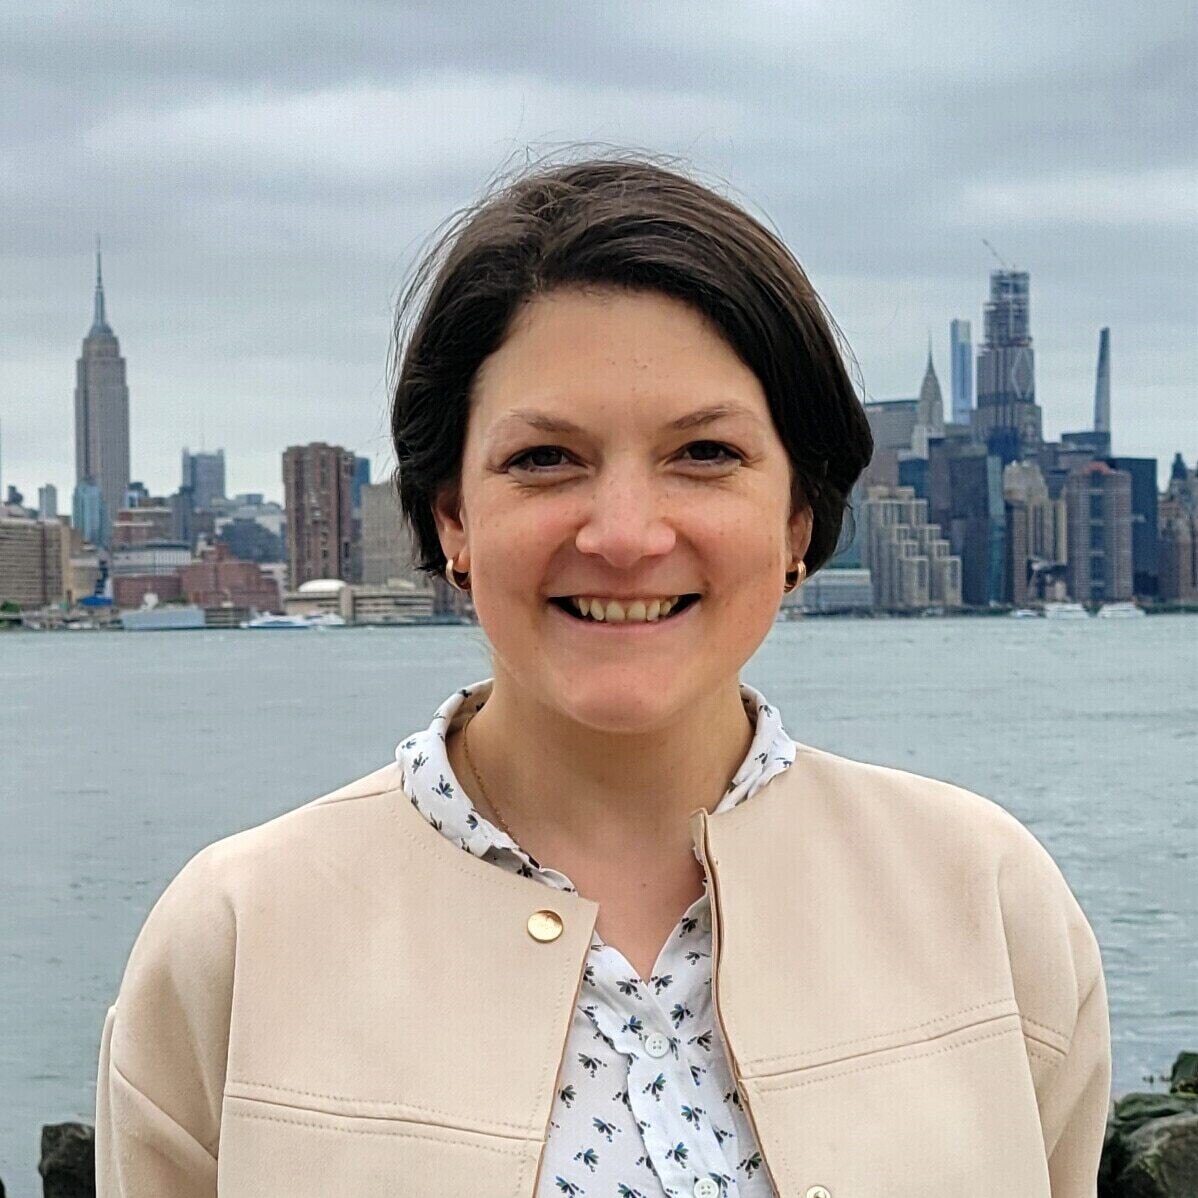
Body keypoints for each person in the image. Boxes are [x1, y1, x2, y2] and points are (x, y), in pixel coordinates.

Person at [95, 153, 1111, 1197]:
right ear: (452, 516)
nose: (624, 536)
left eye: (704, 453)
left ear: (798, 519)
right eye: (545, 459)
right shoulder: (237, 939)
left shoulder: (986, 898)